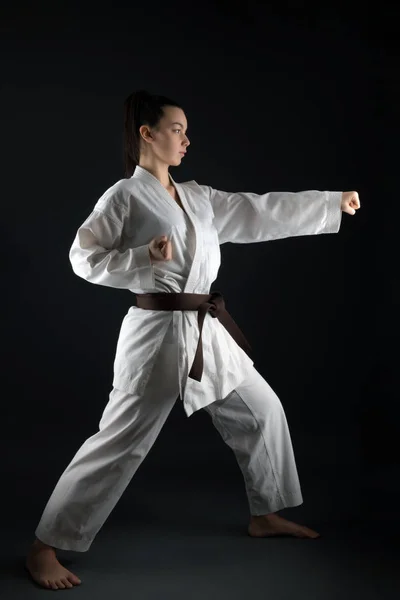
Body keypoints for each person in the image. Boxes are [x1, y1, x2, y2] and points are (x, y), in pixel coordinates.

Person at [26, 90, 361, 590]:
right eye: (177, 129)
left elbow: (257, 212)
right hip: (157, 336)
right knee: (119, 443)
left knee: (262, 411)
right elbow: (83, 257)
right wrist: (142, 259)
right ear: (148, 134)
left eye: (185, 130)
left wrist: (329, 203)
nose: (186, 138)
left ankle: (265, 515)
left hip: (206, 331)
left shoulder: (198, 197)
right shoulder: (124, 196)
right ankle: (44, 547)